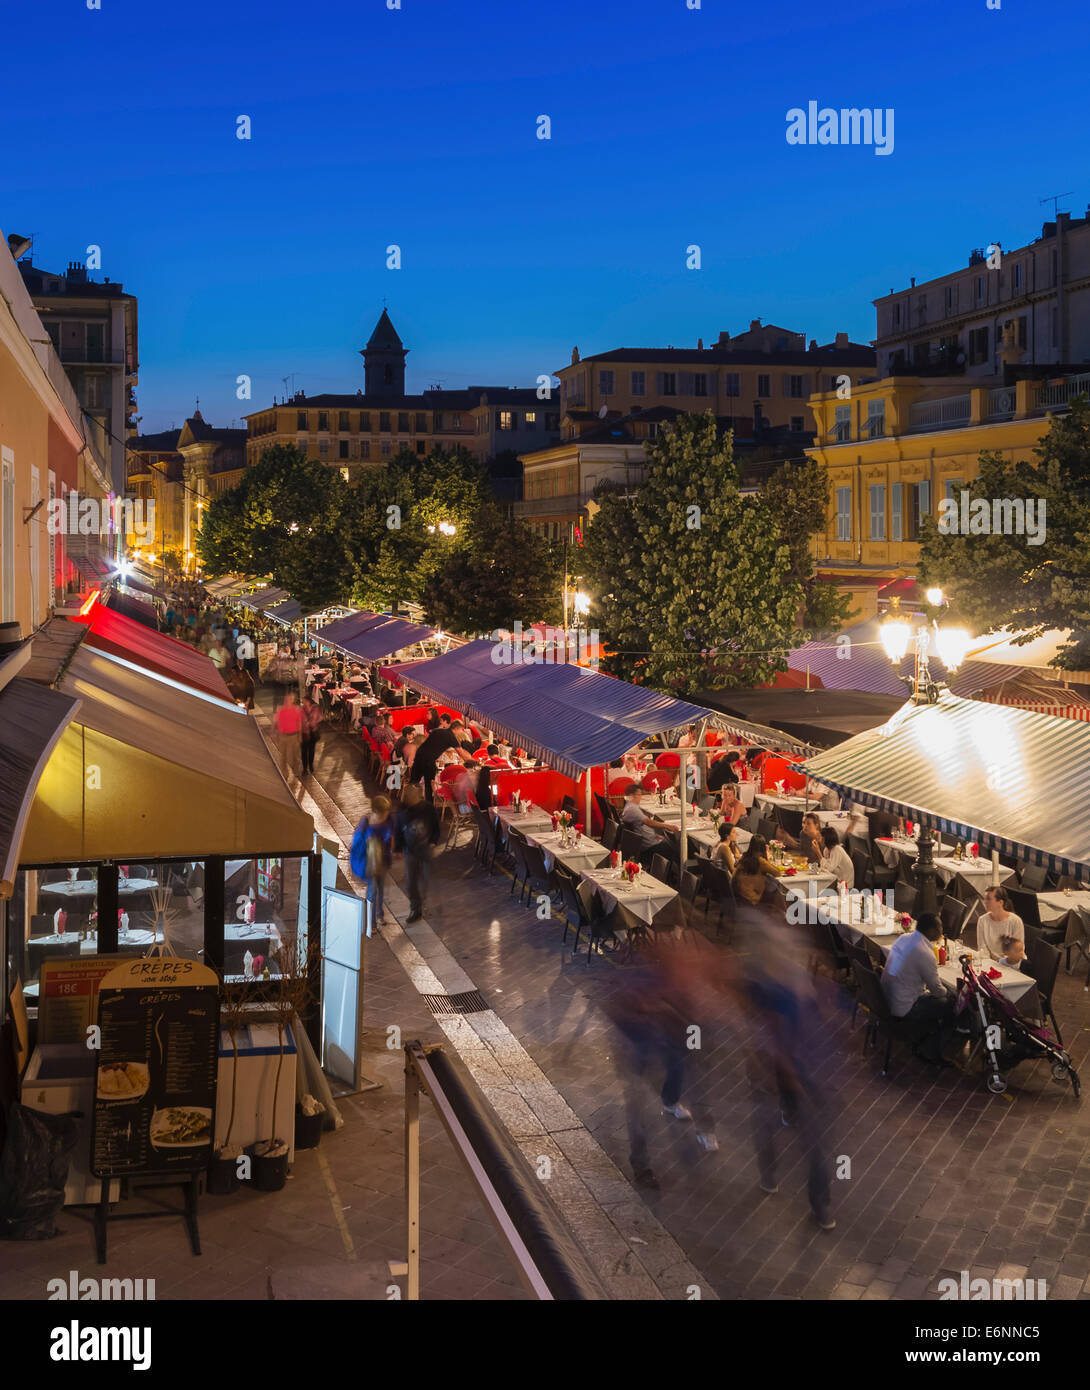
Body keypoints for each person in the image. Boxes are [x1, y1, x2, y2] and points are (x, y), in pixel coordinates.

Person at [880, 912, 957, 1065]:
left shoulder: (904, 938)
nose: (942, 930)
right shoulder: (925, 953)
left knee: (947, 996)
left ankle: (925, 1036)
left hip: (885, 998)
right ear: (931, 931)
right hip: (904, 1006)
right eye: (939, 927)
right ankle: (930, 1049)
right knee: (954, 1004)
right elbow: (937, 991)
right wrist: (950, 993)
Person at [394, 785, 440, 923]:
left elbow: (435, 827)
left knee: (427, 878)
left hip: (426, 849)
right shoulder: (402, 811)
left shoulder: (428, 808)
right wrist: (398, 849)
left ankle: (424, 903)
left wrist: (433, 841)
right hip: (410, 851)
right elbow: (397, 830)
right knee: (411, 881)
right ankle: (416, 907)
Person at [354, 796, 394, 927]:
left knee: (381, 889)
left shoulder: (388, 819)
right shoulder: (366, 822)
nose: (386, 814)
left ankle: (379, 914)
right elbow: (358, 841)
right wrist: (369, 841)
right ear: (376, 812)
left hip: (383, 860)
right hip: (370, 862)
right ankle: (371, 923)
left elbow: (391, 836)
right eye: (384, 812)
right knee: (372, 891)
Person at [410, 719, 473, 802]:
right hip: (428, 760)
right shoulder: (451, 737)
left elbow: (430, 737)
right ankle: (429, 807)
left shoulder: (438, 730)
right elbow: (461, 753)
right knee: (429, 786)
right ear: (457, 728)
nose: (461, 732)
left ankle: (409, 802)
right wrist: (472, 760)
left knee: (414, 782)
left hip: (419, 756)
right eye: (461, 730)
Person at [620, 784, 671, 867]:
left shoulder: (629, 807)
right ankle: (669, 875)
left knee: (667, 841)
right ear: (632, 795)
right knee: (673, 848)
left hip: (647, 840)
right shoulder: (633, 809)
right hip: (649, 845)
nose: (641, 797)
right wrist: (667, 826)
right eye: (639, 795)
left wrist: (656, 835)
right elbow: (648, 822)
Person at [975, 886, 1025, 960]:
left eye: (988, 899)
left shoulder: (1016, 921)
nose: (985, 902)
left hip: (1011, 964)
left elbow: (1017, 951)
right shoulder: (982, 920)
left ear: (1000, 902)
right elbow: (983, 949)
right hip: (992, 963)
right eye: (985, 898)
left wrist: (1001, 963)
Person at [733, 840, 782, 906]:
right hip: (751, 898)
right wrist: (767, 858)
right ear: (763, 848)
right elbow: (777, 873)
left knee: (771, 883)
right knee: (775, 885)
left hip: (739, 894)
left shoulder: (744, 856)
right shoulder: (760, 860)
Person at [274, 691, 304, 775]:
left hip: (294, 735)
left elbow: (299, 723)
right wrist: (277, 734)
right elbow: (278, 723)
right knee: (283, 756)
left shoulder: (296, 710)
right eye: (287, 699)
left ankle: (296, 771)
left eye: (291, 699)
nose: (289, 700)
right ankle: (284, 773)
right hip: (283, 736)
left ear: (293, 700)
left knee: (295, 755)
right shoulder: (281, 710)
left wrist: (300, 735)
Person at [300, 692, 323, 775]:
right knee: (303, 751)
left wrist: (315, 724)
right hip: (303, 733)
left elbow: (320, 718)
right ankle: (305, 768)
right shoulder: (300, 710)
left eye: (305, 701)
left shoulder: (315, 709)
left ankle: (311, 765)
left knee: (311, 750)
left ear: (309, 702)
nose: (303, 703)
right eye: (303, 701)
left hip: (313, 733)